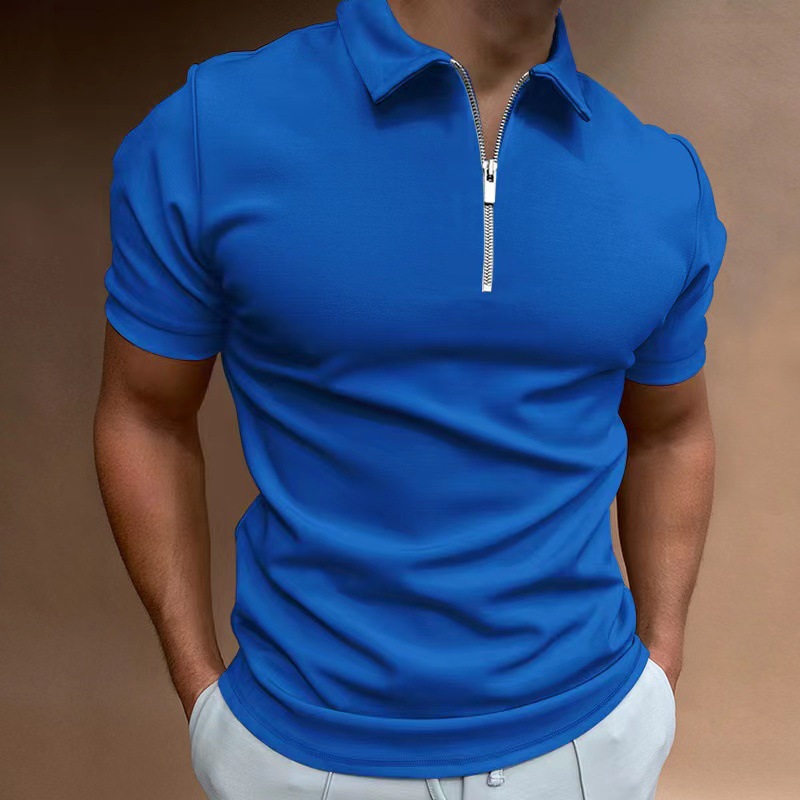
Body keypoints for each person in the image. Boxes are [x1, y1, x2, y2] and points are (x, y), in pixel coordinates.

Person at [94, 0, 727, 797]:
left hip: (589, 743)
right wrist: (201, 696)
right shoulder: (208, 133)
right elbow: (144, 414)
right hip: (297, 754)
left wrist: (659, 676)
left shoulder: (662, 178)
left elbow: (671, 431)